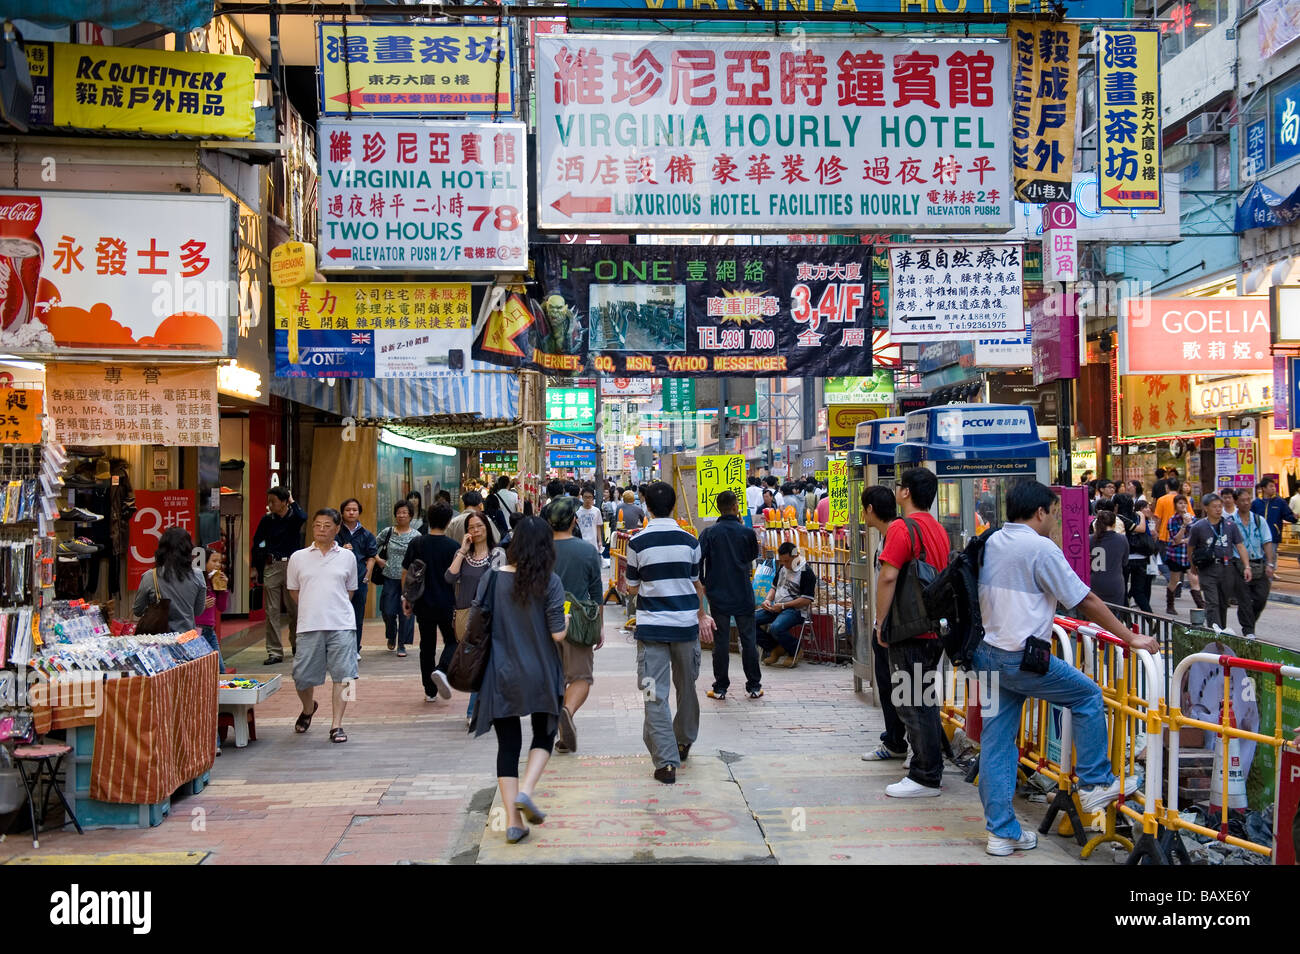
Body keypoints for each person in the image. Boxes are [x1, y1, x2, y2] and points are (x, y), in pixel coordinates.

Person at [975, 481, 1158, 856]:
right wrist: (1129, 637)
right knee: (1088, 695)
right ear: (1040, 512)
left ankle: (1000, 833)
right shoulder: (1040, 548)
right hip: (1024, 658)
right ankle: (1095, 782)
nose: (1055, 522)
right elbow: (1085, 600)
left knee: (996, 746)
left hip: (990, 654)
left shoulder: (992, 540)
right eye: (1054, 514)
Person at [471, 516, 568, 844]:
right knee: (544, 734)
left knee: (508, 744)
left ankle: (514, 822)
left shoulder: (491, 579)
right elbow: (558, 633)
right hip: (541, 671)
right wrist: (565, 619)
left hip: (502, 673)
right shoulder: (550, 582)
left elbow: (475, 622)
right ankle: (526, 791)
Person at [623, 481, 713, 785]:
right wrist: (701, 614)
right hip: (686, 630)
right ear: (674, 505)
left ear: (646, 505)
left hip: (650, 633)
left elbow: (632, 587)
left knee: (652, 694)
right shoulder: (690, 541)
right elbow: (696, 583)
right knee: (687, 687)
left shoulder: (637, 543)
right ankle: (684, 740)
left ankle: (665, 762)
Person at [874, 467, 950, 797]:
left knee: (913, 701)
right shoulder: (938, 529)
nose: (896, 490)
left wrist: (881, 621)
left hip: (909, 628)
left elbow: (888, 577)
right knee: (923, 698)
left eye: (899, 486)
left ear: (905, 493)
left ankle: (925, 774)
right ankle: (926, 767)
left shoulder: (902, 529)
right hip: (932, 627)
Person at [286, 508, 359, 744]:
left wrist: (334, 607)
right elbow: (294, 590)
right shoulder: (298, 557)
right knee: (301, 676)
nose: (321, 529)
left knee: (346, 676)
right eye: (317, 525)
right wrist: (313, 607)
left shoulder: (348, 557)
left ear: (337, 529)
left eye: (327, 525)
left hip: (342, 624)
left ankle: (337, 724)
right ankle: (308, 708)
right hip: (309, 625)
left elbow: (350, 589)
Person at [545, 497, 604, 752]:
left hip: (543, 619)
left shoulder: (539, 550)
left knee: (554, 679)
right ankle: (567, 712)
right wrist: (599, 625)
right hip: (577, 620)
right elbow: (596, 592)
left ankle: (562, 736)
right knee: (580, 677)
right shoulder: (587, 551)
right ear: (574, 521)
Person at [859, 485, 908, 763]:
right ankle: (894, 739)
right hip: (890, 625)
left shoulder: (896, 534)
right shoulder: (887, 535)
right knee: (889, 685)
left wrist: (880, 623)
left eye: (863, 507)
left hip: (893, 627)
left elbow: (888, 579)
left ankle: (902, 743)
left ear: (870, 510)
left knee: (899, 687)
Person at [700, 490, 762, 700]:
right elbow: (753, 555)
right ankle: (754, 686)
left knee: (721, 642)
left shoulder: (709, 533)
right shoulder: (747, 533)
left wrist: (704, 584)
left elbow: (697, 562)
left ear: (719, 508)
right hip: (743, 593)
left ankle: (720, 688)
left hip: (718, 595)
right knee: (748, 641)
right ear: (736, 508)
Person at [402, 503, 461, 704]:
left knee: (426, 646)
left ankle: (429, 690)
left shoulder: (417, 543)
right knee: (453, 641)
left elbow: (407, 572)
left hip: (422, 602)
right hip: (447, 603)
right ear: (448, 521)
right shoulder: (454, 547)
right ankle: (441, 669)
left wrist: (406, 598)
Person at [251, 485, 307, 664]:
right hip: (272, 565)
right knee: (272, 610)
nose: (269, 505)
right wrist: (257, 563)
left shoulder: (294, 518)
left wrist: (292, 500)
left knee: (295, 609)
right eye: (268, 501)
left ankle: (297, 645)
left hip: (292, 565)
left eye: (273, 501)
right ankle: (274, 652)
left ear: (284, 502)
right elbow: (257, 541)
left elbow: (302, 516)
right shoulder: (267, 520)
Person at [1188, 493, 1251, 633]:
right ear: (1206, 508)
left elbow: (1240, 545)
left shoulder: (1230, 525)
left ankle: (1221, 629)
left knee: (1223, 603)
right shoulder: (1198, 527)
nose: (1218, 509)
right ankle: (1213, 630)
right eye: (1214, 507)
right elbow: (1191, 548)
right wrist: (1192, 566)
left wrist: (1247, 566)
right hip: (1208, 569)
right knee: (1212, 602)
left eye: (1220, 506)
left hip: (1227, 568)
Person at [134, 527, 208, 635]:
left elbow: (138, 610)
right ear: (188, 549)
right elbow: (198, 611)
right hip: (187, 640)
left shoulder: (150, 576)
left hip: (159, 641)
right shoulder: (197, 575)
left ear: (161, 550)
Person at [756, 542, 816, 668]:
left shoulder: (806, 572)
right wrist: (767, 600)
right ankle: (775, 648)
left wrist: (783, 606)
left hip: (796, 611)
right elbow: (773, 587)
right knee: (748, 621)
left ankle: (795, 650)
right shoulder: (782, 568)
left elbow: (806, 600)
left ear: (796, 556)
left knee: (776, 628)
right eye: (782, 561)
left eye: (787, 561)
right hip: (777, 607)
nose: (784, 564)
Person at [1229, 487, 1275, 640]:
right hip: (1238, 565)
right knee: (1244, 599)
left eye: (1248, 499)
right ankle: (1249, 630)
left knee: (1261, 597)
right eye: (1242, 500)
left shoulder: (1258, 520)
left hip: (1258, 563)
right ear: (1236, 502)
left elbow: (1267, 542)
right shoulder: (1230, 522)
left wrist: (1270, 564)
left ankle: (1248, 622)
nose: (1246, 503)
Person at [375, 501, 420, 656]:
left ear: (411, 516)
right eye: (399, 512)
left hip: (409, 581)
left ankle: (402, 644)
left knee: (405, 613)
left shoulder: (416, 536)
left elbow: (421, 558)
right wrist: (378, 559)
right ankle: (391, 634)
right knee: (387, 611)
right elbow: (371, 546)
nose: (401, 515)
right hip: (390, 578)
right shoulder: (388, 532)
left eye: (404, 513)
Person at [337, 498, 378, 658]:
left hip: (359, 580)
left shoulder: (366, 534)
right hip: (339, 581)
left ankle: (355, 648)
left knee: (357, 615)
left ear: (359, 512)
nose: (351, 512)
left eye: (354, 509)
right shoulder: (337, 532)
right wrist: (340, 548)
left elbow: (371, 557)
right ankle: (340, 648)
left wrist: (366, 577)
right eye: (348, 510)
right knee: (339, 615)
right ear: (342, 513)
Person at [195, 544, 229, 674]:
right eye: (214, 561)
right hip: (197, 630)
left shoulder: (214, 581)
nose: (217, 565)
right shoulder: (197, 581)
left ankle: (221, 693)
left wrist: (223, 588)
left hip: (210, 630)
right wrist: (201, 605)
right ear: (203, 562)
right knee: (202, 669)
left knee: (220, 669)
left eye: (219, 562)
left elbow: (221, 607)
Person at [1089, 510, 1129, 606]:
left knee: (1095, 616)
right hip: (1115, 583)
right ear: (1114, 523)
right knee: (1114, 616)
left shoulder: (1090, 539)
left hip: (1095, 582)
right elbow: (1125, 562)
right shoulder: (1122, 539)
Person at [1163, 495, 1193, 615]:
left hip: (1189, 555)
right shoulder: (1172, 520)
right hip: (1176, 555)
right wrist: (1184, 525)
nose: (1183, 505)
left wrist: (1183, 540)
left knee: (1194, 580)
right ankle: (1170, 605)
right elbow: (1176, 539)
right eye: (1180, 503)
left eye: (1184, 503)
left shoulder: (1192, 519)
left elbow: (1194, 538)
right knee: (1174, 580)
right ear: (1175, 506)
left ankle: (1201, 606)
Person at [1126, 499, 1156, 612]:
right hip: (1137, 558)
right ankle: (1149, 616)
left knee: (1136, 588)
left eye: (1148, 507)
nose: (1148, 509)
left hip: (1140, 558)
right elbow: (1143, 532)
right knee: (1138, 589)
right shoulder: (1139, 520)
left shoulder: (1147, 521)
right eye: (1145, 507)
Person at [1251, 477, 1296, 552]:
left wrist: (1294, 517)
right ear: (1264, 488)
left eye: (1274, 486)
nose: (1273, 488)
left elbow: (1288, 515)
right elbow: (1251, 518)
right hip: (1258, 537)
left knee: (1271, 559)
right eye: (1271, 486)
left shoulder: (1280, 502)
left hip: (1273, 536)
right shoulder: (1256, 503)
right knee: (1258, 559)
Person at [576, 487, 604, 552]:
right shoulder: (577, 512)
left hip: (593, 543)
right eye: (585, 497)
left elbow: (598, 527)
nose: (587, 499)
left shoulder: (596, 511)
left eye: (590, 497)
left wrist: (600, 541)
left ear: (593, 498)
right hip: (581, 542)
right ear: (582, 497)